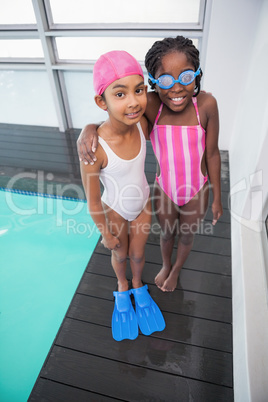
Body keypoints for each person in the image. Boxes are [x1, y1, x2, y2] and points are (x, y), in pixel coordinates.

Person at [78, 36, 223, 294]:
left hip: (197, 190)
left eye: (186, 77)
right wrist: (88, 129)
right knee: (166, 234)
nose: (177, 88)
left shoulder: (207, 105)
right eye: (166, 80)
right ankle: (166, 265)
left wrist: (217, 198)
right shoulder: (153, 104)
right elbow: (119, 115)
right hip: (164, 189)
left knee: (187, 236)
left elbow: (212, 154)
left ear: (198, 74)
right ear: (155, 83)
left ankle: (175, 270)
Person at [80, 50, 165, 342]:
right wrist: (105, 233)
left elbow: (170, 97)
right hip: (115, 210)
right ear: (101, 102)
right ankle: (121, 286)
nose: (133, 101)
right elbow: (92, 201)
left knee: (138, 254)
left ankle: (138, 284)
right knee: (120, 253)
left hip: (142, 205)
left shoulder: (141, 124)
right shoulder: (95, 149)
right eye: (120, 94)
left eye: (138, 90)